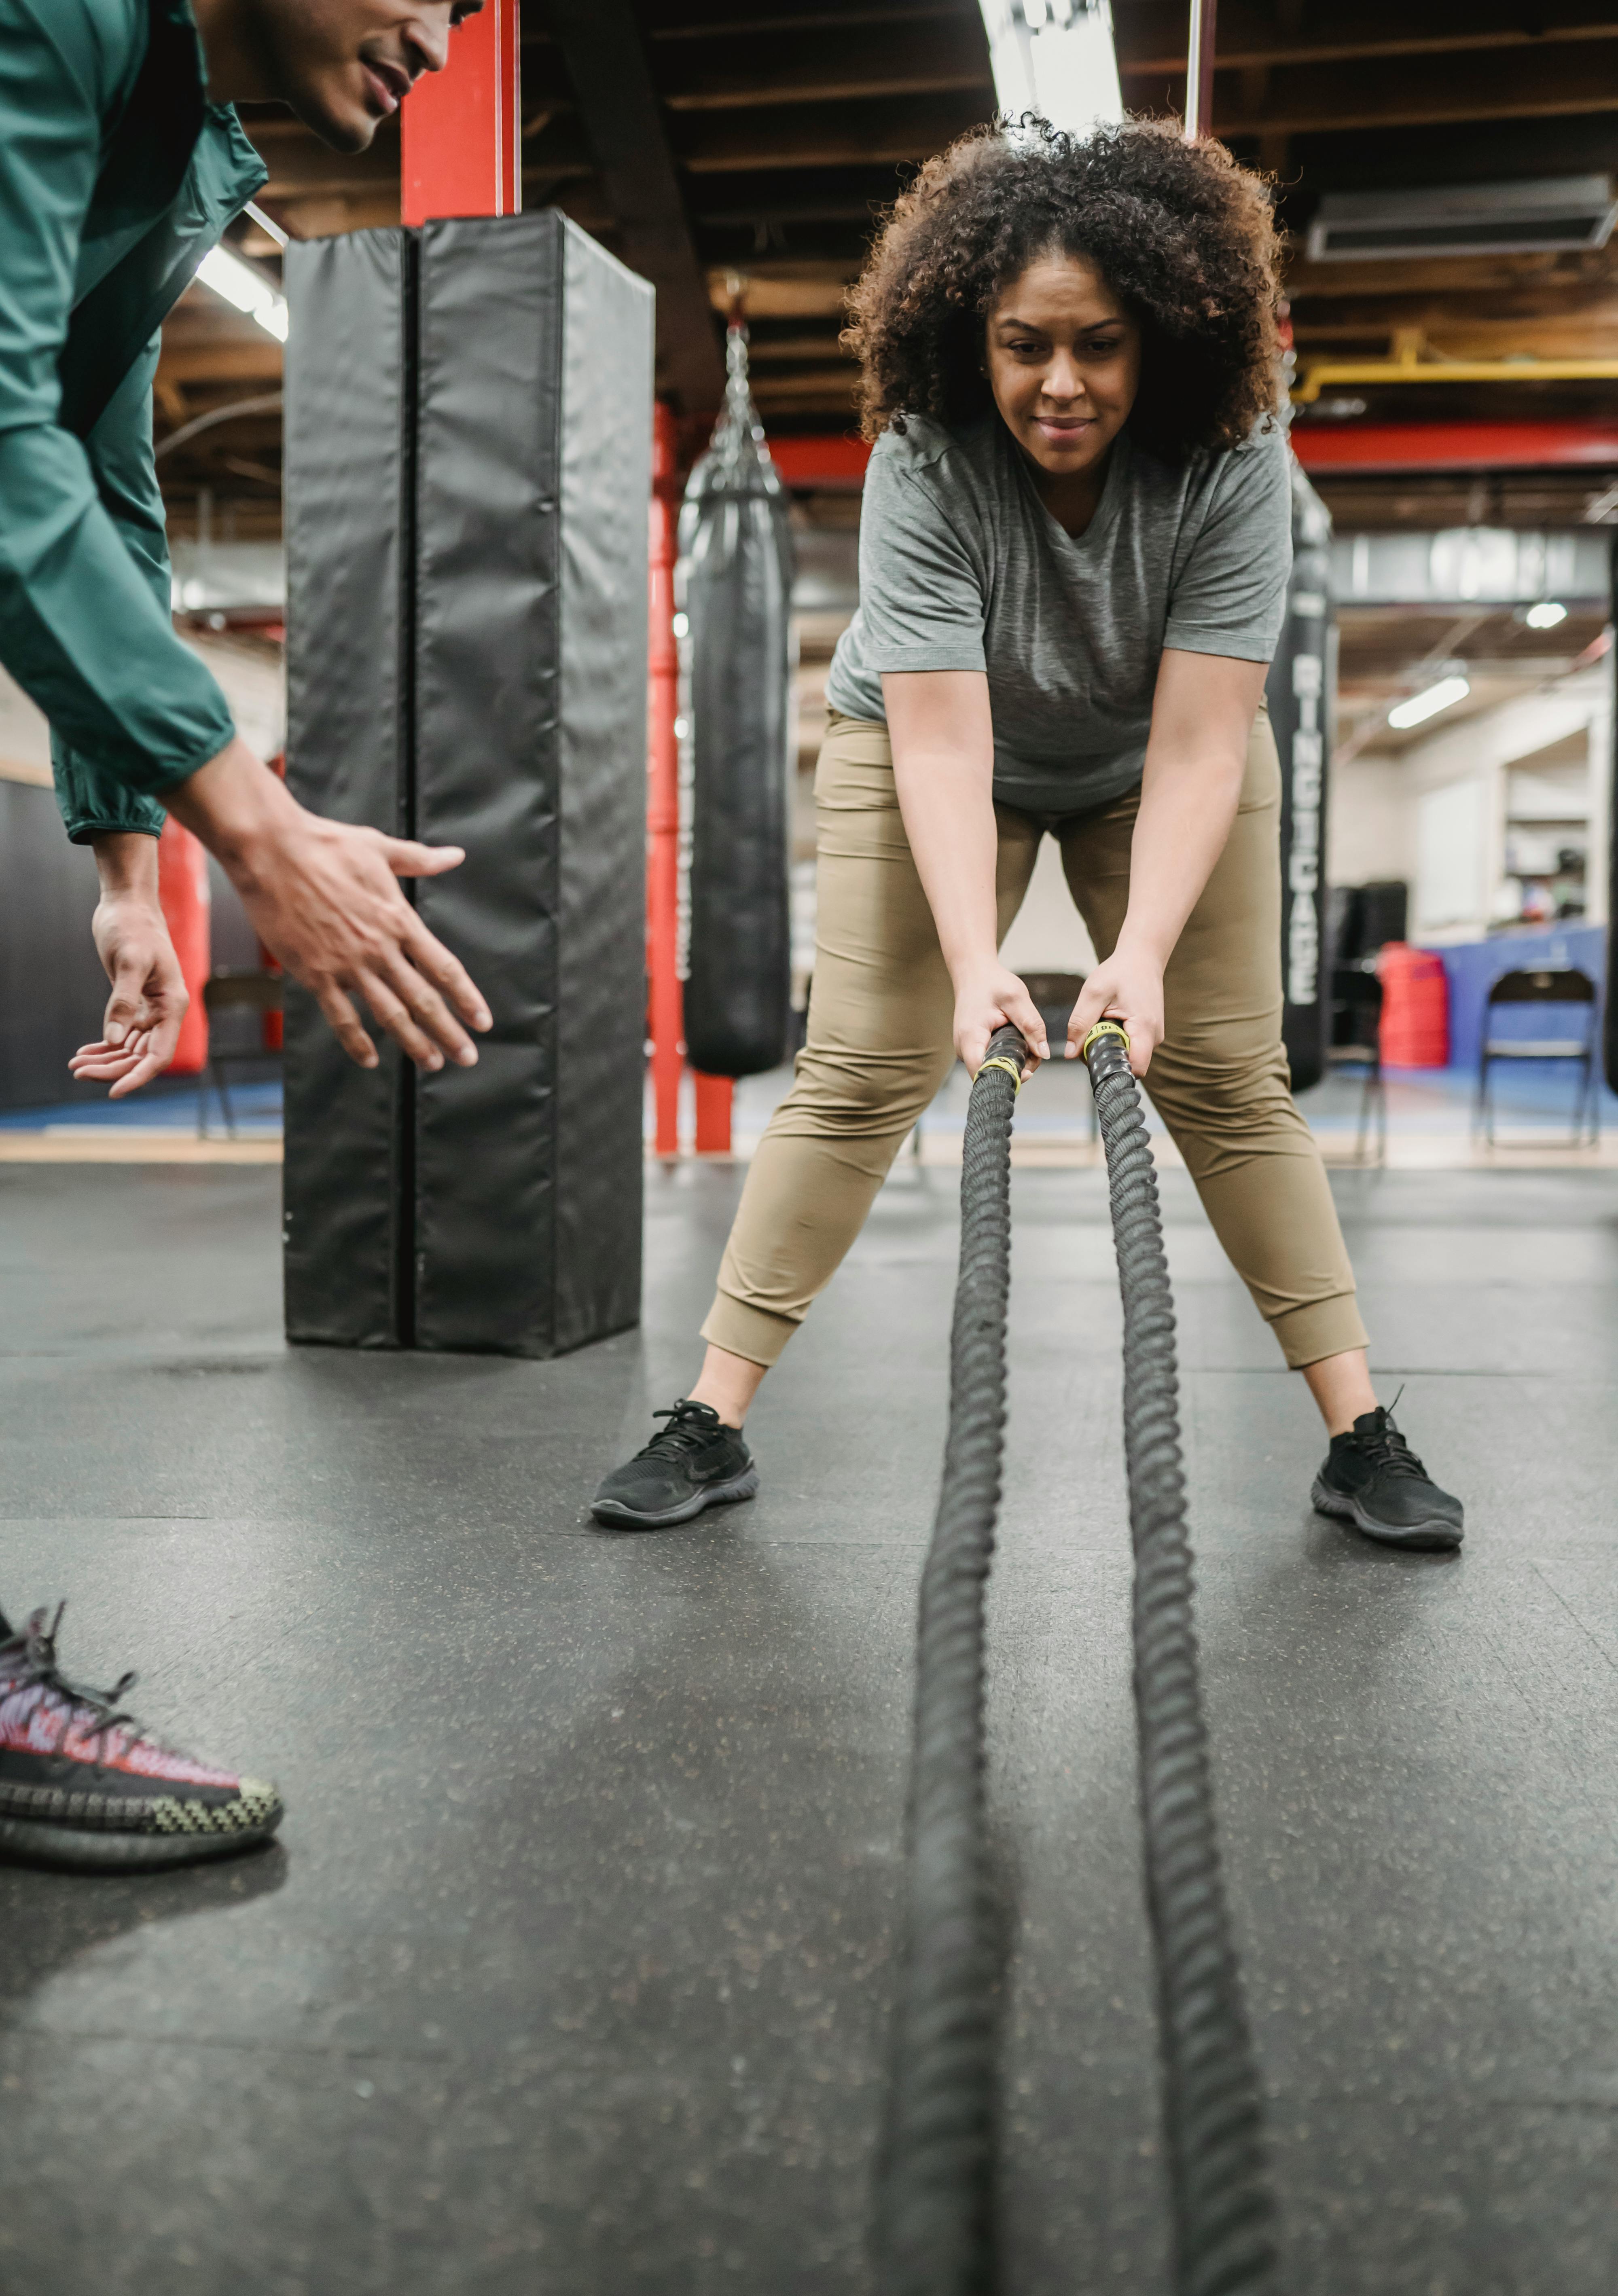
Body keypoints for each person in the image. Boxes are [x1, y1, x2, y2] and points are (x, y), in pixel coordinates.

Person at [592, 118, 1463, 1555]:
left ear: (1166, 340)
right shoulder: (925, 457)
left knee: (1233, 1081)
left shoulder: (1237, 457)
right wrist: (977, 958)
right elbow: (940, 738)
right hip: (931, 742)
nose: (1060, 382)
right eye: (1023, 344)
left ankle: (1360, 1437)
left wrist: (1138, 956)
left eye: (1102, 345)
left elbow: (1198, 742)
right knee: (862, 1060)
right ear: (968, 337)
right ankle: (710, 1419)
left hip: (1153, 758)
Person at [0, 0, 492, 1870]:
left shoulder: (190, 129)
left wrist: (133, 860)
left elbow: (96, 468)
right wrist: (256, 819)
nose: (440, 41)